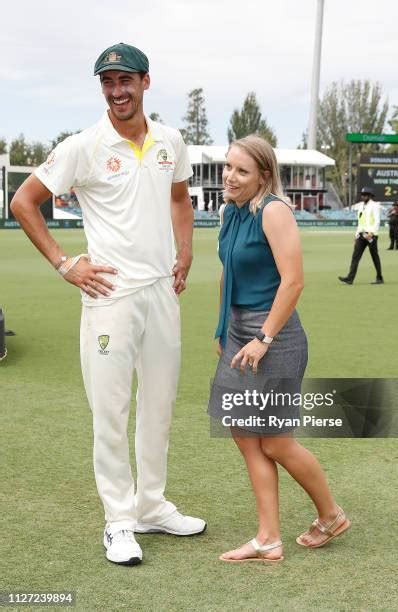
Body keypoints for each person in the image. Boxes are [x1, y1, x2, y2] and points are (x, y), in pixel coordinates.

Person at [11, 42, 205, 566]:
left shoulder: (170, 139)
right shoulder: (84, 145)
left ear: (146, 81)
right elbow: (23, 201)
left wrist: (184, 249)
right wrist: (65, 263)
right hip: (110, 296)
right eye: (108, 82)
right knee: (112, 411)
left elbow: (180, 197)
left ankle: (152, 506)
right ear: (102, 88)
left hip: (163, 292)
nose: (117, 91)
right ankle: (119, 520)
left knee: (159, 406)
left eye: (126, 80)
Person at [208, 135, 350, 563]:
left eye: (242, 171)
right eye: (227, 167)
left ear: (264, 176)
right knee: (244, 434)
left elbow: (293, 281)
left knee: (275, 441)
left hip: (275, 337)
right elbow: (226, 273)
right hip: (239, 334)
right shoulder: (230, 211)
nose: (230, 177)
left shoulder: (274, 211)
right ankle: (268, 538)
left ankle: (331, 515)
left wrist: (263, 338)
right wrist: (222, 329)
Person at [338, 186, 384, 285]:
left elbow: (377, 221)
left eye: (365, 195)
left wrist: (371, 233)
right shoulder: (361, 207)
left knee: (374, 257)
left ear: (370, 196)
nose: (363, 196)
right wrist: (356, 235)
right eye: (362, 195)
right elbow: (360, 222)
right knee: (355, 256)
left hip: (371, 235)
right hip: (362, 234)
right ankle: (350, 278)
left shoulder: (375, 206)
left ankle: (379, 278)